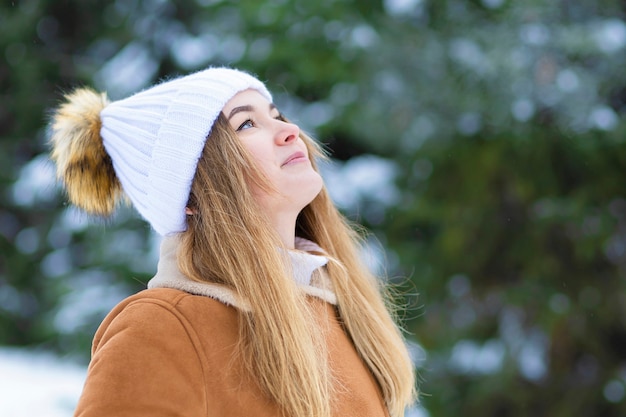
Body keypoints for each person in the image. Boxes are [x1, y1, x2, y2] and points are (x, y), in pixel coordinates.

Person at [48, 67, 416, 417]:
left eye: (276, 115)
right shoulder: (161, 326)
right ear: (191, 193)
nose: (290, 131)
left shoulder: (338, 308)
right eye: (247, 123)